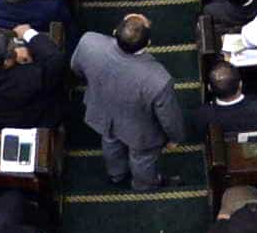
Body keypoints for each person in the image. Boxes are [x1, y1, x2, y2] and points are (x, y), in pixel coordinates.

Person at [72, 11, 189, 189]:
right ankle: (144, 185)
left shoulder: (89, 42)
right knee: (143, 159)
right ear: (148, 43)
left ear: (114, 31)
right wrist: (175, 138)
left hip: (104, 113)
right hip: (140, 131)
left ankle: (117, 175)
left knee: (110, 141)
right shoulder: (158, 79)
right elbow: (169, 116)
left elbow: (76, 69)